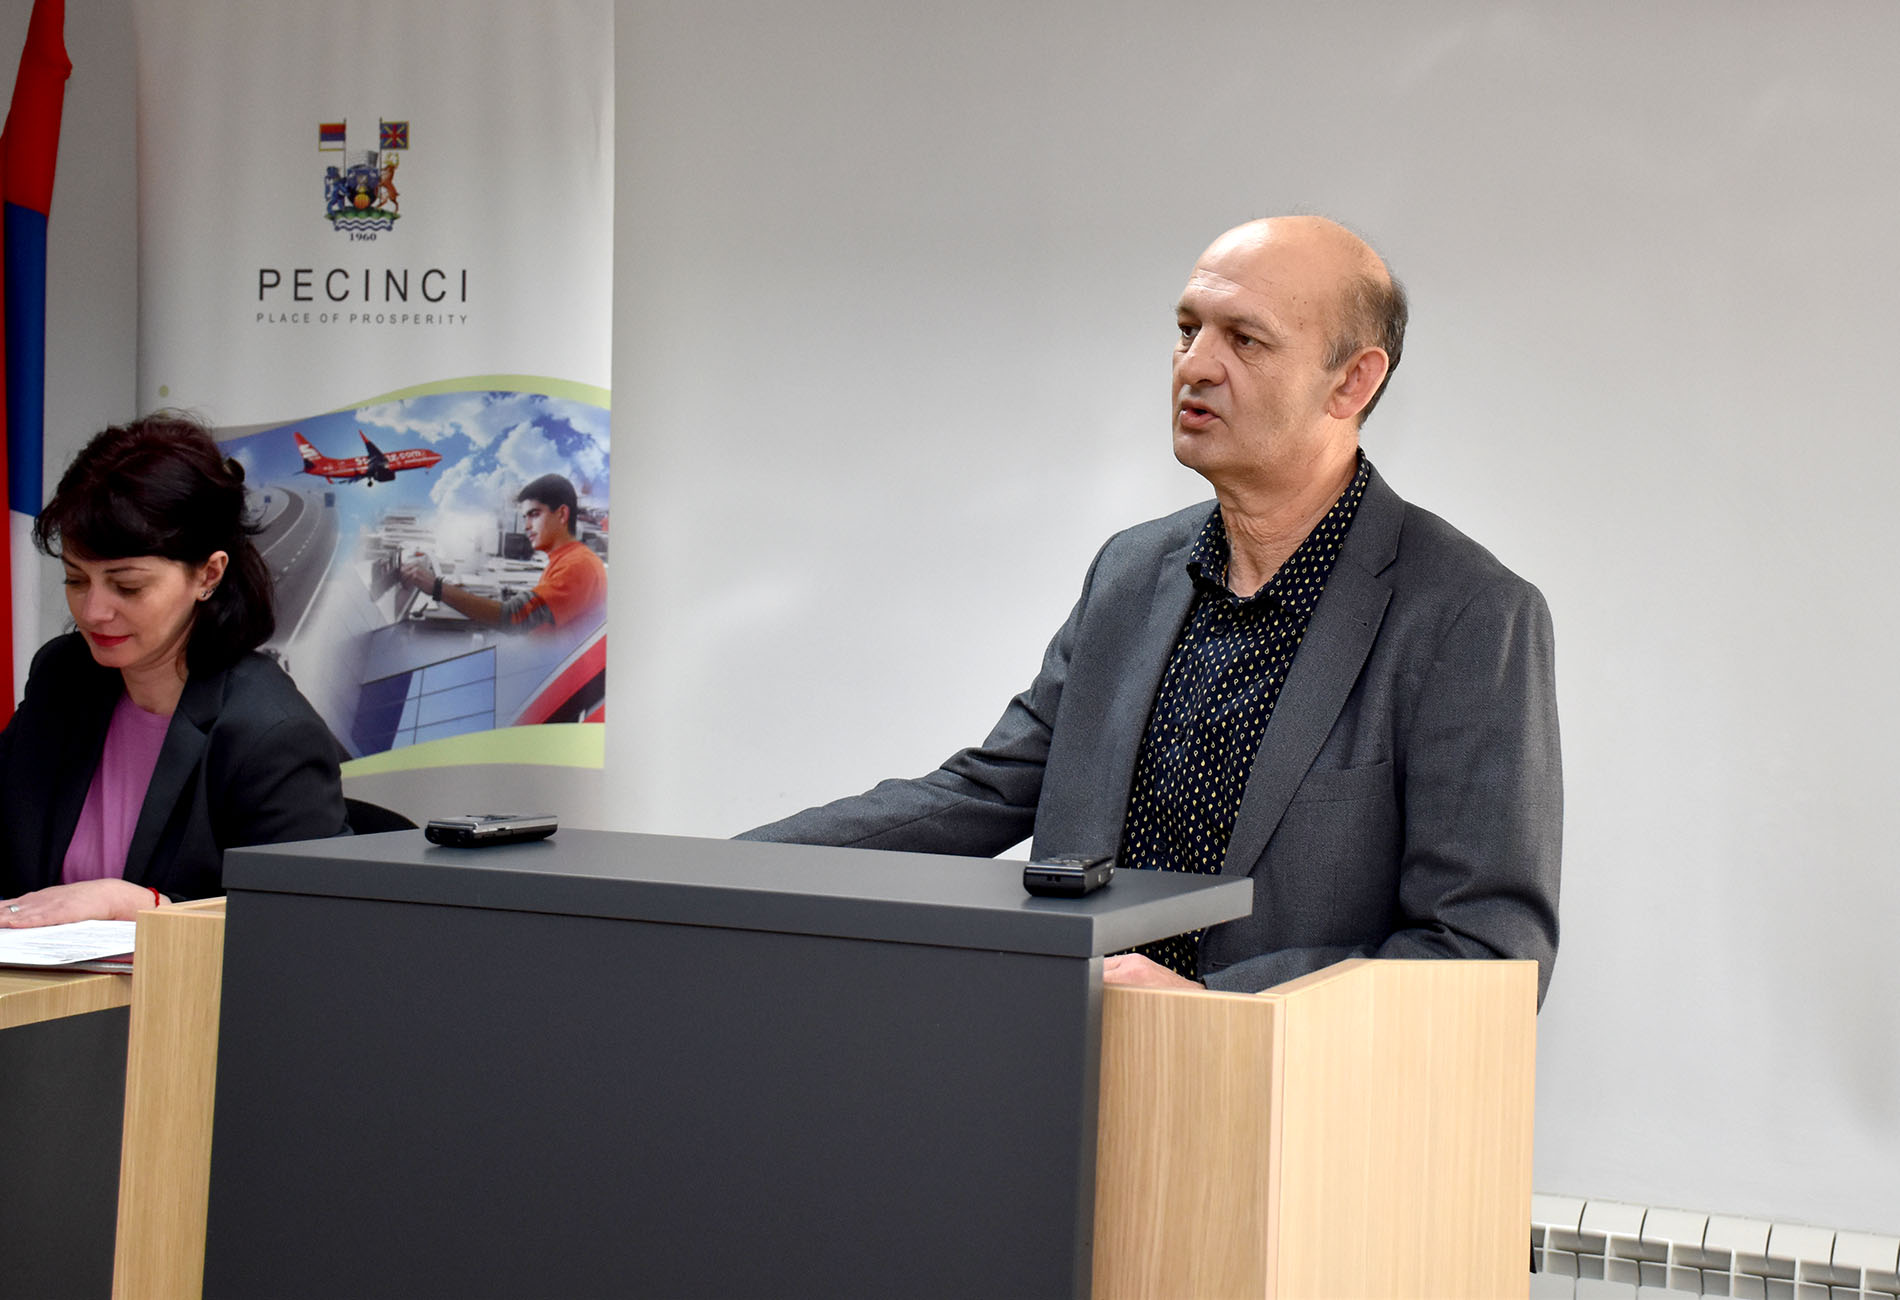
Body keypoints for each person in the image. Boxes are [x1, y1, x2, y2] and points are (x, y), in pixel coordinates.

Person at [742, 216, 1562, 1001]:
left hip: (1283, 1088)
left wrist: (1214, 1005)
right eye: (1187, 329)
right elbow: (986, 793)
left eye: (1245, 339)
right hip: (1069, 1064)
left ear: (1352, 380)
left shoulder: (1468, 615)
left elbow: (1486, 951)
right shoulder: (1132, 573)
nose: (1195, 365)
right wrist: (733, 871)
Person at [0, 414, 348, 927]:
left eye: (128, 586)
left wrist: (140, 907)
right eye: (76, 579)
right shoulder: (65, 676)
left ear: (209, 574)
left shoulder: (270, 734)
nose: (93, 611)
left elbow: (307, 929)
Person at [399, 473, 606, 631]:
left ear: (561, 514)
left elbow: (513, 617)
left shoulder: (578, 566)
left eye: (534, 514)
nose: (526, 526)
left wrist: (436, 587)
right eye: (525, 517)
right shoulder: (566, 558)